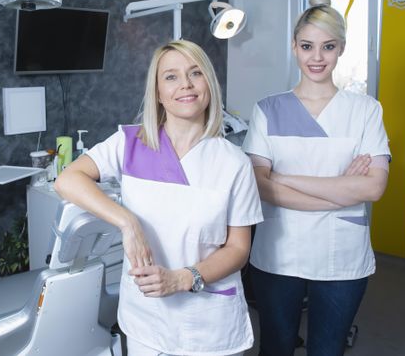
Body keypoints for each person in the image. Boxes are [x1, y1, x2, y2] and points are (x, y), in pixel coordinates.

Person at [55, 40, 263, 356]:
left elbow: (238, 249)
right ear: (158, 93)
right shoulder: (130, 143)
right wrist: (127, 222)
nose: (186, 85)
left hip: (206, 322)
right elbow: (67, 179)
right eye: (171, 77)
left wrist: (184, 278)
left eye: (195, 73)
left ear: (209, 83)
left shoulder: (234, 162)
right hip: (145, 320)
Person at [242, 0, 390, 356]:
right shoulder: (267, 109)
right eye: (307, 46)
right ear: (294, 47)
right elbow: (259, 186)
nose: (317, 57)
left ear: (341, 48)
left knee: (328, 349)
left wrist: (283, 177)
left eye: (328, 46)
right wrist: (341, 188)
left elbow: (373, 188)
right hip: (279, 253)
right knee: (276, 346)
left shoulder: (366, 110)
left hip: (342, 256)